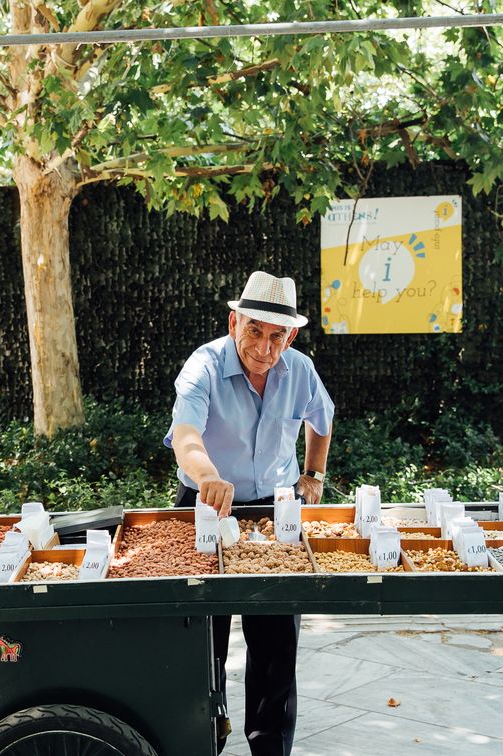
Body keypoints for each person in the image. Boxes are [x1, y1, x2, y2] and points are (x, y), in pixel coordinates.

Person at [164, 271, 334, 756]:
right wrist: (207, 474)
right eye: (254, 331)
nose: (263, 346)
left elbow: (322, 417)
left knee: (276, 647)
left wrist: (314, 473)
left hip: (273, 512)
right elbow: (185, 435)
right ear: (234, 321)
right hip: (204, 502)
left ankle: (269, 748)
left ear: (292, 335)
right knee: (200, 644)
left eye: (276, 336)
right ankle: (203, 740)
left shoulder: (300, 369)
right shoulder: (204, 365)